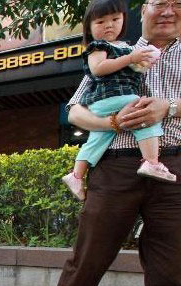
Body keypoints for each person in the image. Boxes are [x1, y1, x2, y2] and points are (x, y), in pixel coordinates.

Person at [44, 0, 181, 286]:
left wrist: (167, 109)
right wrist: (111, 120)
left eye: (176, 3)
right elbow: (74, 110)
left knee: (172, 264)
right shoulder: (119, 48)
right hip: (117, 165)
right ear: (143, 11)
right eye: (159, 3)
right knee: (89, 256)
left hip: (172, 165)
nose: (168, 11)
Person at [62, 0, 173, 200]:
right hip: (113, 98)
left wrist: (142, 60)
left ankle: (76, 175)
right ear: (143, 10)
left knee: (97, 139)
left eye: (115, 19)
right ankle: (152, 162)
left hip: (110, 101)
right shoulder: (99, 46)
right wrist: (131, 58)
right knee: (143, 112)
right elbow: (98, 69)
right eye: (101, 21)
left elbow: (136, 70)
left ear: (124, 19)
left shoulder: (124, 47)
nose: (109, 25)